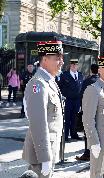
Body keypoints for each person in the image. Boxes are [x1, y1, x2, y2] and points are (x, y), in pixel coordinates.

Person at [22, 40, 64, 177]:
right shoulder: (38, 84)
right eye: (57, 58)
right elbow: (38, 123)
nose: (61, 62)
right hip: (41, 155)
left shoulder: (49, 82)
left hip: (49, 150)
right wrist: (44, 157)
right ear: (45, 59)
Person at [82, 57, 104, 178]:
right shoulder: (93, 90)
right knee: (97, 173)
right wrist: (93, 142)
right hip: (100, 141)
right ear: (100, 70)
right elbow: (88, 119)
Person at [76, 63, 100, 161]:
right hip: (100, 111)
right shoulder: (102, 81)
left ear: (91, 70)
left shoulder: (87, 81)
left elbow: (81, 95)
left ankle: (87, 153)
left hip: (88, 110)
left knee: (88, 133)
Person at [59, 59, 84, 141]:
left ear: (78, 66)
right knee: (67, 118)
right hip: (68, 100)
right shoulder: (64, 75)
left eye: (75, 64)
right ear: (70, 65)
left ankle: (73, 134)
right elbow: (60, 86)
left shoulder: (80, 75)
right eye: (72, 64)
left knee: (75, 118)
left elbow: (82, 88)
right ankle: (65, 135)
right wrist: (63, 96)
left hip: (77, 101)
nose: (74, 66)